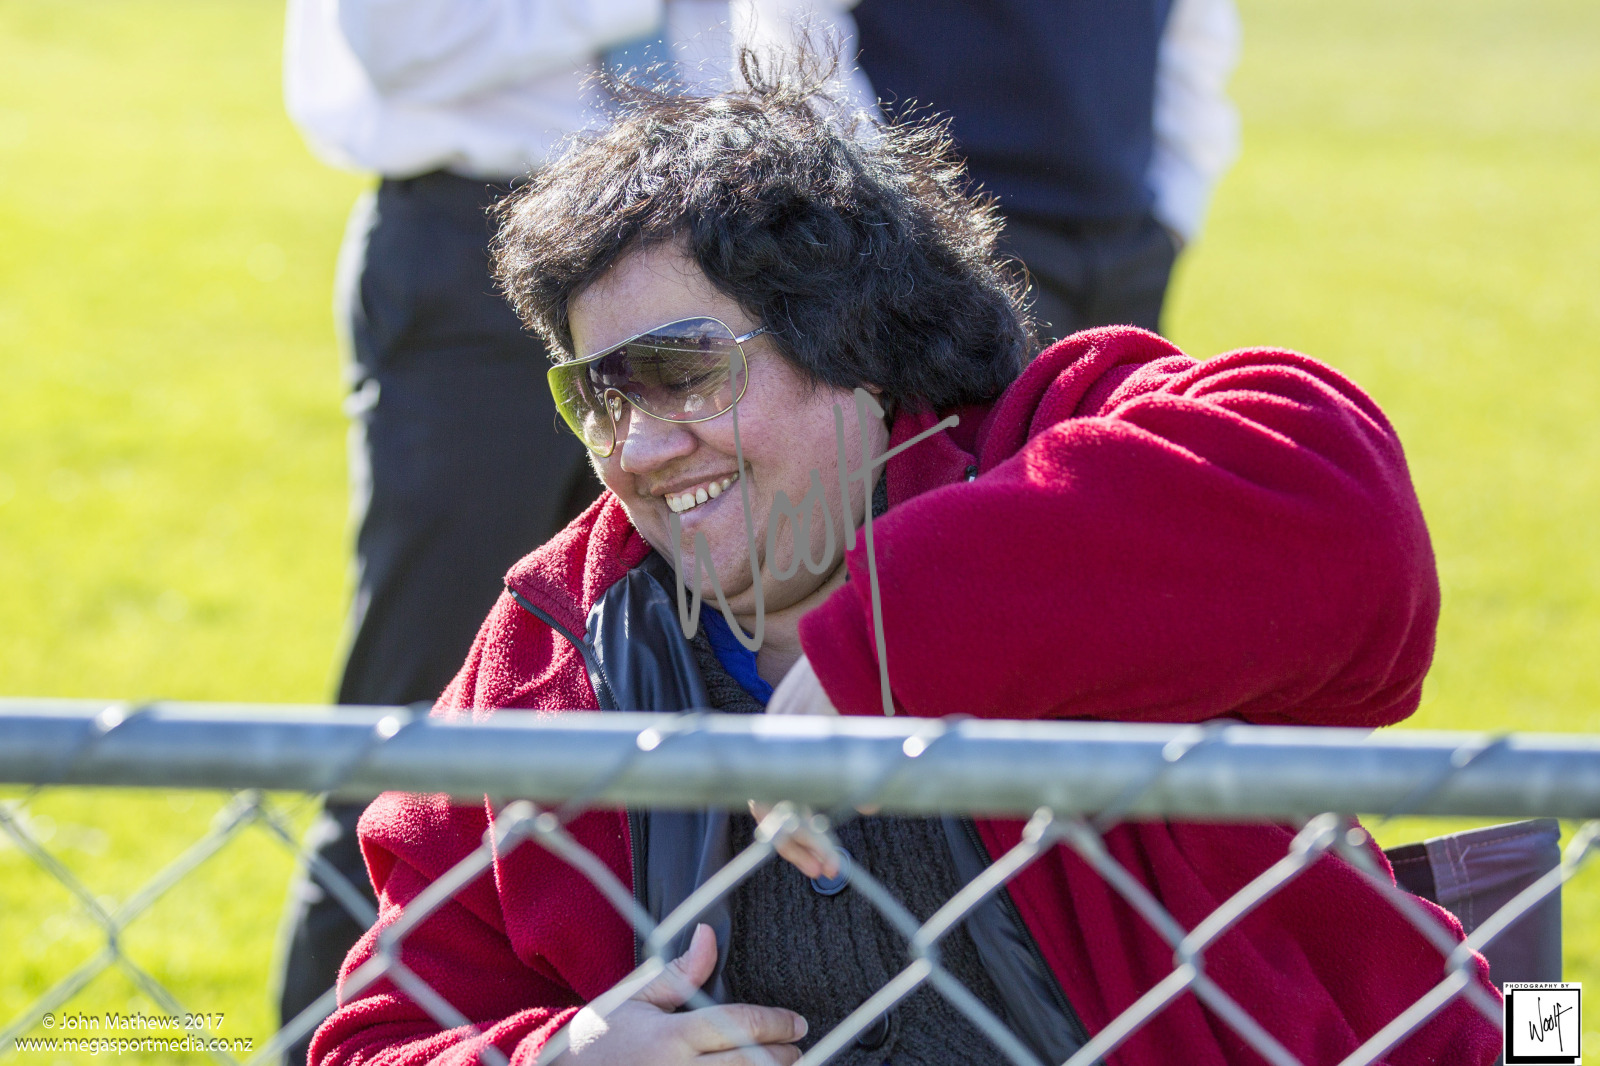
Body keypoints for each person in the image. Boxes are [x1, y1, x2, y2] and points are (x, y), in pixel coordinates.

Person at [308, 56, 1502, 1066]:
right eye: (598, 396)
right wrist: (559, 1057)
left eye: (677, 372)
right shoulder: (556, 645)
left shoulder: (1043, 440)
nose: (639, 446)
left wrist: (891, 643)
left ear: (855, 348)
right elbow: (369, 1037)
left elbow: (1344, 506)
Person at [850, 0, 1241, 340]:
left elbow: (1195, 37)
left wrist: (1174, 216)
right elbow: (815, 21)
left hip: (1131, 251)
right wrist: (891, 213)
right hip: (951, 246)